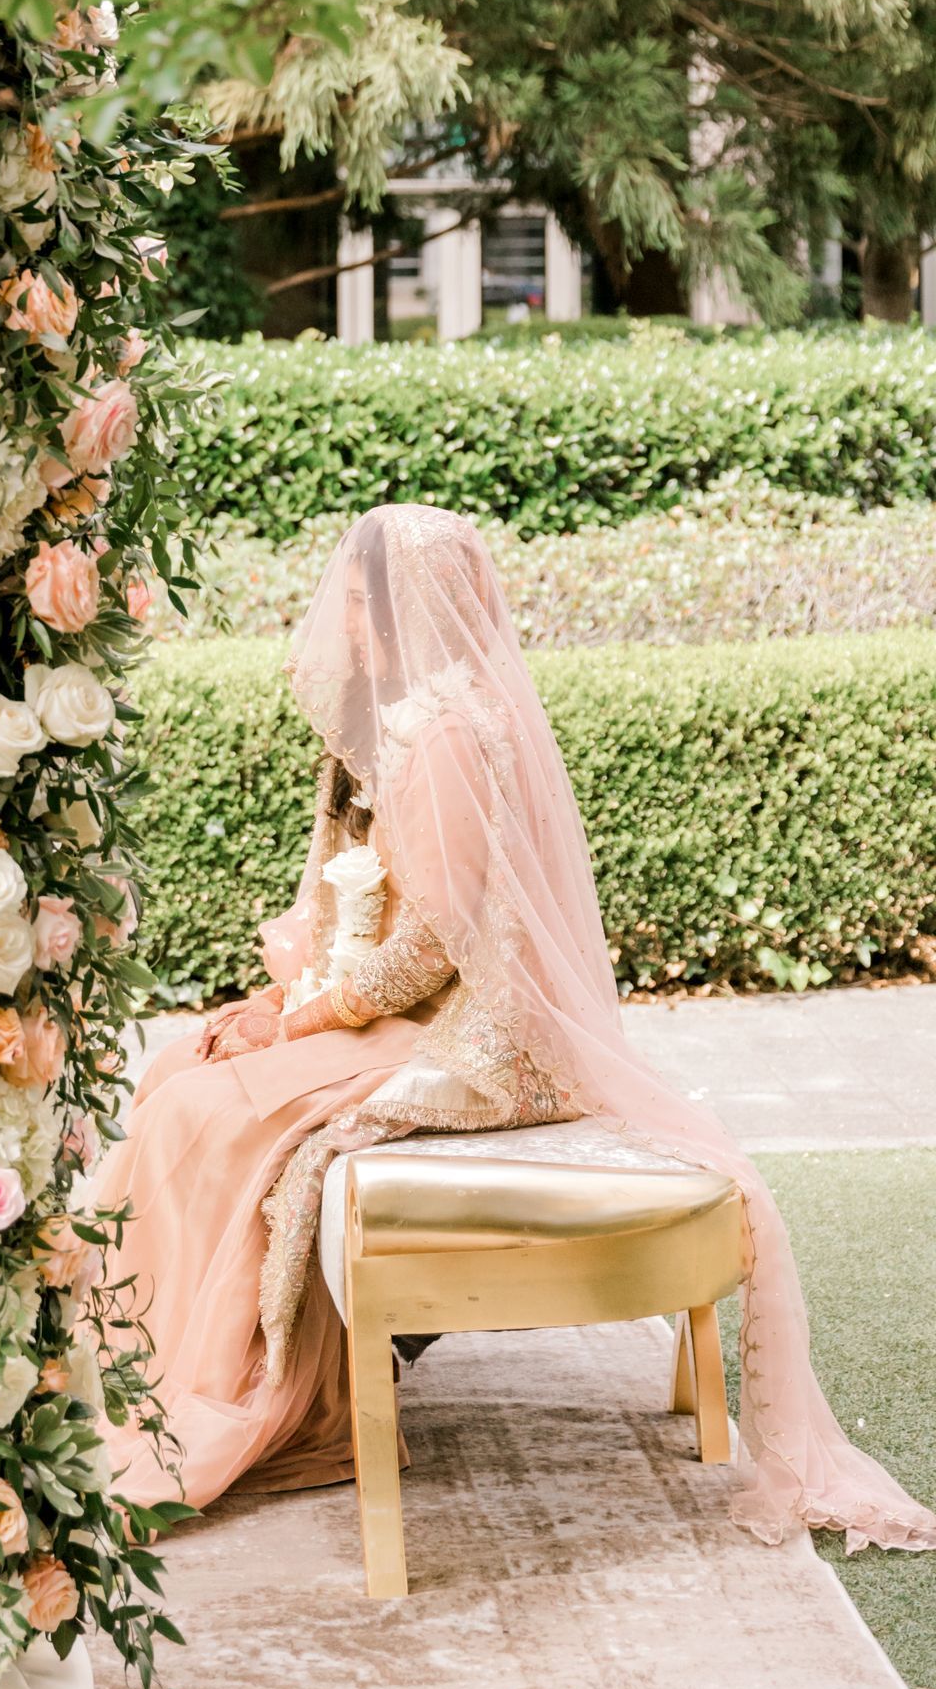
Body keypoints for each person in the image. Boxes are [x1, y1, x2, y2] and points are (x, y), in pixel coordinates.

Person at [101, 502, 936, 1552]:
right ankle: (144, 1360)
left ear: (412, 608)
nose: (344, 616)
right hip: (416, 1012)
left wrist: (296, 1021)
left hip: (477, 1041)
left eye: (364, 598)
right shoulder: (422, 718)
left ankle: (271, 1392)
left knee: (212, 1115)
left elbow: (427, 956)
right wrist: (281, 1003)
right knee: (185, 1067)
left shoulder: (447, 735)